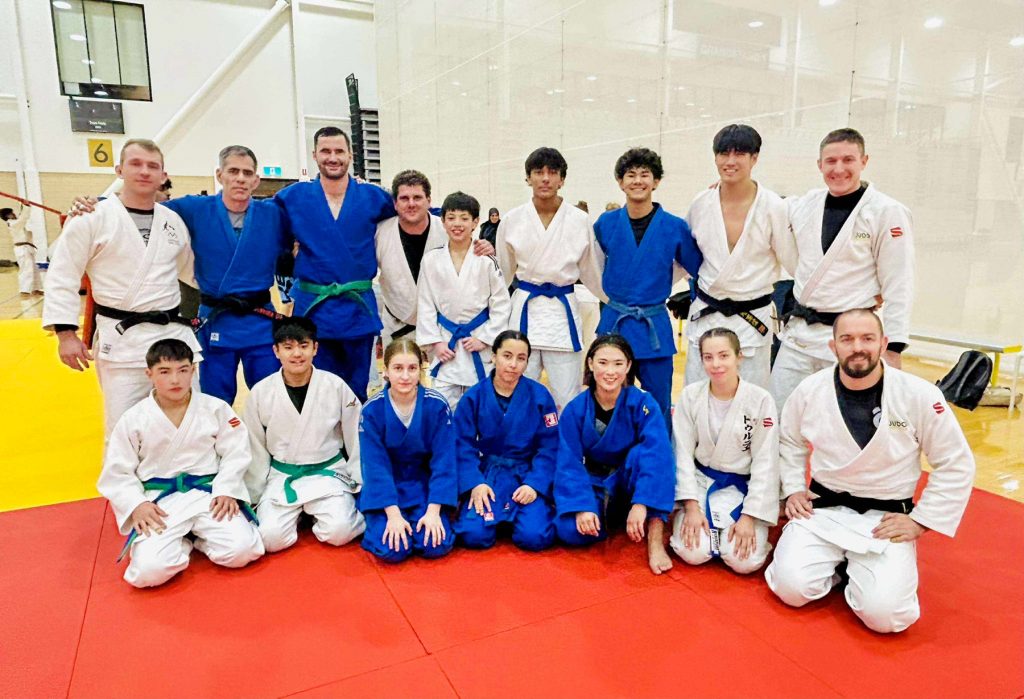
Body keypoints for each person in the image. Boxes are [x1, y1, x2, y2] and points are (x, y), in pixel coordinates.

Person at [765, 310, 975, 633]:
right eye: (847, 339)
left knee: (886, 617)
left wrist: (921, 520)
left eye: (867, 338)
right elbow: (789, 440)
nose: (857, 348)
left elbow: (955, 461)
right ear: (833, 346)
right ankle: (840, 568)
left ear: (883, 344)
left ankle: (862, 569)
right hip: (823, 509)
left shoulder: (918, 395)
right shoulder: (810, 390)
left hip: (885, 519)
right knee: (790, 588)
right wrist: (793, 488)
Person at [67, 146, 289, 406]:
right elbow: (141, 206)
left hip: (260, 318)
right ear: (220, 175)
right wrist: (99, 203)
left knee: (271, 396)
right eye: (233, 171)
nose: (240, 178)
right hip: (215, 318)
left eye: (247, 173)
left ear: (256, 180)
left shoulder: (273, 213)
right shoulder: (194, 208)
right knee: (214, 399)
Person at [44, 139, 201, 437]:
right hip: (122, 340)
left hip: (173, 336)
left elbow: (191, 273)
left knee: (188, 421)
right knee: (123, 427)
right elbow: (63, 274)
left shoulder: (172, 221)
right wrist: (65, 333)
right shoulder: (92, 217)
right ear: (119, 170)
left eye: (152, 166)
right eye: (136, 164)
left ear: (163, 175)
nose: (144, 171)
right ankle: (124, 469)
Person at [97, 339, 263, 588]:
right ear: (149, 374)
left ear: (193, 370)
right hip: (160, 500)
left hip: (208, 494)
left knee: (242, 551)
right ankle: (181, 542)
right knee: (149, 573)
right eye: (164, 372)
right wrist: (137, 504)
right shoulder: (133, 419)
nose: (175, 380)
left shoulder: (215, 408)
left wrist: (227, 489)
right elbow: (117, 471)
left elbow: (236, 452)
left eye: (183, 370)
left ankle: (200, 539)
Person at [771, 128, 914, 408]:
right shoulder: (805, 205)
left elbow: (900, 283)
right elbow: (765, 205)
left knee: (844, 421)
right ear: (819, 165)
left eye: (848, 160)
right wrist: (729, 188)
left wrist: (894, 346)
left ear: (864, 161)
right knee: (781, 415)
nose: (838, 169)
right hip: (799, 337)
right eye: (831, 161)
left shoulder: (886, 212)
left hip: (851, 341)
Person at [275, 126, 396, 403]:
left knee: (356, 390)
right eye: (326, 151)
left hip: (357, 309)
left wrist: (467, 239)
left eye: (339, 151)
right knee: (317, 390)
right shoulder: (292, 198)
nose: (333, 157)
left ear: (350, 155)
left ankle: (356, 431)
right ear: (314, 155)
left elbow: (415, 217)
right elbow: (272, 240)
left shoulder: (373, 197)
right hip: (314, 310)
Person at [593, 147, 702, 417]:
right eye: (631, 175)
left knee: (658, 403)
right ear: (620, 182)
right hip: (615, 323)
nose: (638, 181)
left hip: (653, 326)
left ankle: (658, 446)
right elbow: (592, 266)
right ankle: (611, 445)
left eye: (645, 174)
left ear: (656, 181)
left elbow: (698, 269)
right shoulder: (605, 224)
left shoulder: (674, 226)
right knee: (608, 401)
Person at [553, 334, 675, 575]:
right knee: (569, 531)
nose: (610, 372)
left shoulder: (644, 403)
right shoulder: (576, 408)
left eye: (618, 364)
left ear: (628, 366)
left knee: (645, 454)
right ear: (590, 364)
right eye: (603, 363)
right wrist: (582, 506)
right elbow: (569, 462)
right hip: (597, 481)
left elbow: (658, 455)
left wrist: (641, 503)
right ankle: (611, 514)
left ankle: (654, 533)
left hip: (632, 478)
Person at [684, 125, 794, 390]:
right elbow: (684, 257)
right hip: (707, 314)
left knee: (751, 400)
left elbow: (795, 263)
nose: (730, 161)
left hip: (752, 319)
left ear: (754, 158)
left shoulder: (774, 207)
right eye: (724, 153)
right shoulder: (701, 203)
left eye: (740, 154)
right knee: (696, 396)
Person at [243, 317, 365, 553]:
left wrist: (359, 479)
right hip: (283, 475)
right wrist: (255, 492)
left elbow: (355, 435)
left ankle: (318, 511)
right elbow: (254, 444)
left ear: (315, 348)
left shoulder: (335, 385)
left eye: (304, 345)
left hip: (327, 472)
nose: (297, 354)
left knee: (340, 532)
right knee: (269, 538)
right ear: (276, 351)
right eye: (288, 347)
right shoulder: (261, 392)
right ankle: (301, 514)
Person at [497, 147, 605, 412]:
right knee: (520, 393)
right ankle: (520, 439)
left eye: (552, 172)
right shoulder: (512, 219)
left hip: (562, 314)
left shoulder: (580, 220)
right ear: (528, 178)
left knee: (567, 396)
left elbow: (592, 271)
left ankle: (567, 440)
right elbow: (502, 275)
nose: (545, 178)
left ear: (562, 179)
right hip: (525, 310)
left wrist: (615, 301)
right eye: (538, 172)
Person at [669, 328, 779, 574]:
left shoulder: (760, 400)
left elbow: (766, 461)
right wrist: (691, 506)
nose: (716, 364)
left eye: (724, 355)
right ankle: (694, 520)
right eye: (708, 357)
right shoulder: (690, 396)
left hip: (743, 488)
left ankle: (747, 528)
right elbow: (682, 454)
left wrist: (750, 516)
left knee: (744, 561)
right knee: (693, 552)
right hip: (701, 483)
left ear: (739, 357)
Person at [453, 330, 559, 551]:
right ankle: (503, 515)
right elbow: (462, 445)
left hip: (526, 474)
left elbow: (550, 447)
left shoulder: (540, 396)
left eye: (521, 358)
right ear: (494, 356)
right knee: (474, 536)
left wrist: (535, 484)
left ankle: (519, 516)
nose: (513, 364)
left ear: (527, 362)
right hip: (489, 475)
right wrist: (475, 482)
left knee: (535, 537)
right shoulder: (474, 396)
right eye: (507, 356)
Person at [358, 338, 457, 563]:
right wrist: (393, 515)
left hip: (424, 486)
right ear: (385, 371)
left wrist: (433, 511)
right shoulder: (371, 410)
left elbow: (444, 461)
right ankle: (379, 520)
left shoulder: (437, 405)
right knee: (393, 549)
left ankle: (425, 517)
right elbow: (374, 466)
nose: (405, 376)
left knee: (434, 544)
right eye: (398, 368)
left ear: (421, 369)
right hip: (387, 488)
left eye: (412, 368)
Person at [417, 191, 511, 408]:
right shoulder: (431, 260)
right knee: (441, 408)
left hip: (477, 344)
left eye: (464, 218)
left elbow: (501, 305)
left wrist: (486, 338)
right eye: (451, 218)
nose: (457, 224)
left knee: (481, 408)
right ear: (443, 221)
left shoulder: (487, 261)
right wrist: (435, 342)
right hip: (446, 346)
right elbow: (425, 304)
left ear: (475, 222)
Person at [375, 170, 448, 347]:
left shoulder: (448, 231)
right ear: (395, 203)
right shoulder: (379, 234)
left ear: (429, 200)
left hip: (443, 329)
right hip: (396, 326)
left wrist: (485, 248)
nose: (411, 204)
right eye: (404, 198)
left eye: (417, 197)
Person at [2, 205, 42, 296]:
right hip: (21, 249)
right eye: (11, 213)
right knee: (26, 269)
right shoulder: (12, 224)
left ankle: (35, 289)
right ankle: (24, 290)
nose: (14, 214)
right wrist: (26, 207)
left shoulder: (16, 223)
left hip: (26, 248)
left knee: (34, 269)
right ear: (7, 216)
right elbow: (23, 218)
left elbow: (23, 221)